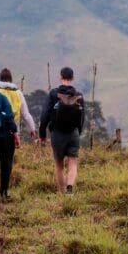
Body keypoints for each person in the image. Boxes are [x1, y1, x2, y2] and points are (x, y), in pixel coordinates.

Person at [39, 66, 85, 195]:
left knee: (59, 165)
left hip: (57, 133)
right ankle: (70, 188)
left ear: (61, 77)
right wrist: (77, 132)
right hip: (73, 133)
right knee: (73, 163)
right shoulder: (79, 95)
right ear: (73, 78)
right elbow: (82, 117)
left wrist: (42, 134)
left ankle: (62, 192)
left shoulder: (54, 94)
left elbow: (44, 116)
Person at [0, 68, 37, 185]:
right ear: (11, 79)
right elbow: (25, 114)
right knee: (8, 159)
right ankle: (5, 187)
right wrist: (32, 129)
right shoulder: (17, 92)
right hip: (12, 130)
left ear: (0, 78)